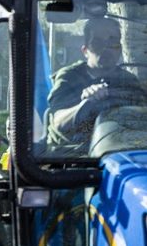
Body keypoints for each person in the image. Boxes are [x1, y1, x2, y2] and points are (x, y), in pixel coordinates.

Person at [46, 17, 147, 151]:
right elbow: (58, 121)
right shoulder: (69, 77)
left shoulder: (129, 81)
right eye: (98, 43)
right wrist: (86, 103)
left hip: (122, 151)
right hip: (75, 157)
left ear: (120, 48)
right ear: (85, 50)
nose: (107, 49)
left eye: (113, 42)